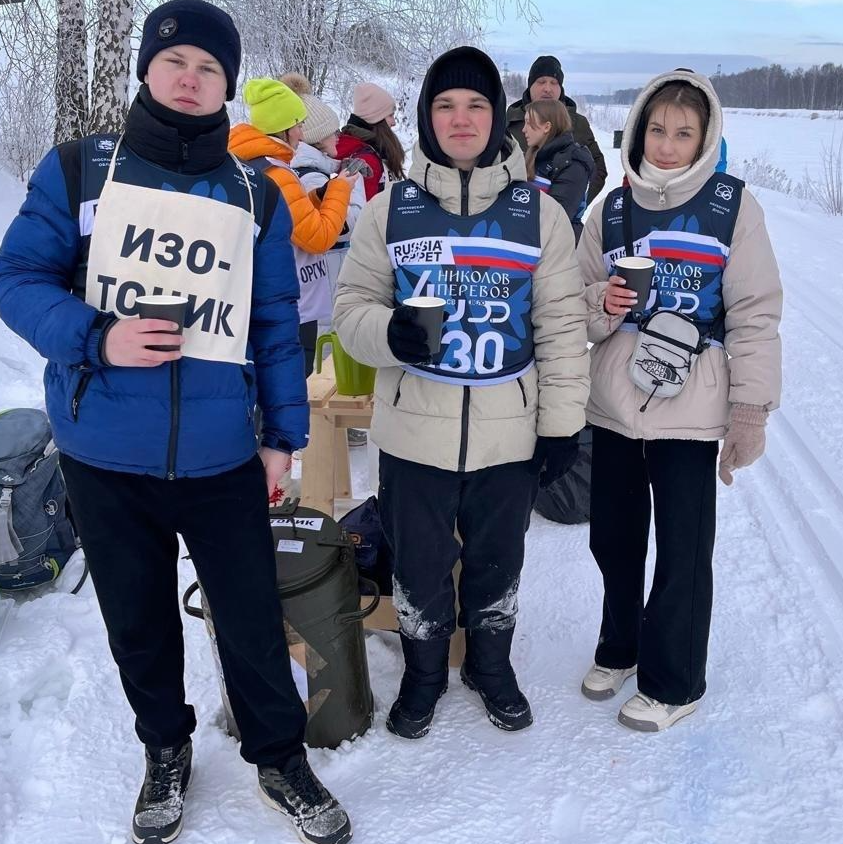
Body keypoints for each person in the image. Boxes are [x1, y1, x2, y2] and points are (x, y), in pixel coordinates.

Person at [0, 3, 353, 842]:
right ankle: (164, 748)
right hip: (103, 450)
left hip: (223, 453)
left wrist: (281, 437)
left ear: (228, 85)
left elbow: (273, 320)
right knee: (138, 618)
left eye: (209, 69)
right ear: (148, 70)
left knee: (251, 617)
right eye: (175, 61)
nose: (190, 79)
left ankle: (279, 757)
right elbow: (17, 279)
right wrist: (98, 336)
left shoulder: (252, 193)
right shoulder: (81, 170)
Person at [333, 46, 590, 740]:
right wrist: (387, 331)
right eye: (445, 104)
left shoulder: (537, 216)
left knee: (496, 560)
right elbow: (349, 308)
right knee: (417, 565)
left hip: (509, 429)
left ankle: (489, 664)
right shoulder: (392, 210)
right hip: (415, 431)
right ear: (425, 118)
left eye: (475, 103)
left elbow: (563, 328)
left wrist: (562, 425)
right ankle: (422, 674)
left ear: (497, 118)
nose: (461, 117)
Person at [578, 68, 782, 731]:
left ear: (704, 138)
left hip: (692, 406)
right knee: (613, 537)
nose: (666, 145)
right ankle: (619, 644)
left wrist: (749, 412)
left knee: (682, 548)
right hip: (612, 399)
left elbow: (754, 311)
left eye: (683, 133)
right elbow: (569, 306)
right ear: (638, 130)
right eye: (657, 130)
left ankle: (674, 681)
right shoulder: (610, 208)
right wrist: (601, 307)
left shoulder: (731, 205)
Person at [228, 76, 361, 376]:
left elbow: (288, 219)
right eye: (298, 124)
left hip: (257, 302)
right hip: (293, 308)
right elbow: (317, 238)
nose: (302, 133)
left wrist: (321, 196)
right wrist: (340, 190)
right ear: (284, 128)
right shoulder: (278, 173)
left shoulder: (248, 166)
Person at [284, 72, 368, 337]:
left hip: (317, 292)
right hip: (319, 294)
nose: (338, 137)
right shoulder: (308, 177)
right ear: (316, 136)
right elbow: (343, 228)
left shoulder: (306, 171)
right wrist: (352, 186)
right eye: (333, 131)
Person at [506, 55, 608, 204]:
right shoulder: (509, 122)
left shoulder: (578, 123)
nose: (547, 88)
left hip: (563, 219)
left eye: (554, 83)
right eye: (541, 82)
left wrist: (578, 200)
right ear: (530, 86)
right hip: (514, 215)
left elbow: (598, 168)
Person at [522, 98, 595, 243]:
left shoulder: (574, 163)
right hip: (531, 242)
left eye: (529, 123)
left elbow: (557, 217)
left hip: (561, 249)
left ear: (547, 127)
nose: (524, 129)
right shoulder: (533, 156)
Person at [337, 81, 406, 200]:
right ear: (376, 118)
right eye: (390, 115)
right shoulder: (368, 160)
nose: (394, 122)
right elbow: (365, 212)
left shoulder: (376, 148)